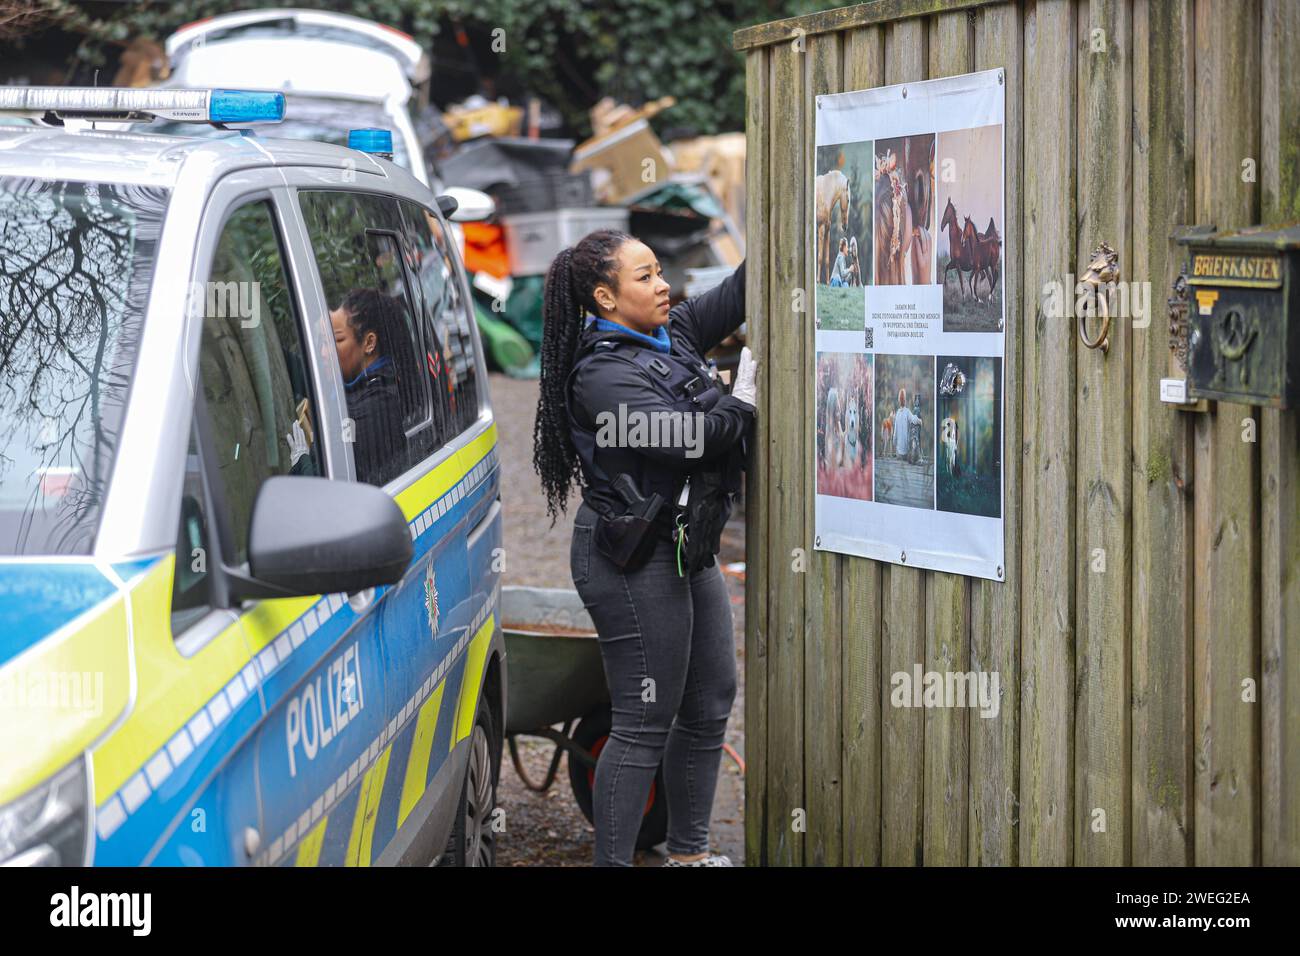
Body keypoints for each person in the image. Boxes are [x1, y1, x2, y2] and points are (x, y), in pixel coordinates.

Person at [532, 229, 758, 867]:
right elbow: (691, 438)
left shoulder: (673, 332)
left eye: (660, 271)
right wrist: (741, 399)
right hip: (629, 558)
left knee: (711, 695)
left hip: (687, 546)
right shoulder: (599, 376)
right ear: (605, 297)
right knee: (643, 720)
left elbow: (741, 289)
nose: (663, 285)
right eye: (645, 276)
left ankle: (687, 855)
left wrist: (785, 216)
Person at [331, 288, 412, 485]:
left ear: (368, 343)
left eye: (338, 340)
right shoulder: (357, 386)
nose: (327, 351)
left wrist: (303, 460)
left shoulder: (377, 406)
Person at [892, 386, 923, 462]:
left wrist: (894, 445)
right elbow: (914, 419)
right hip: (906, 453)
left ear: (899, 400)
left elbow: (895, 436)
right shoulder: (907, 412)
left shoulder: (897, 413)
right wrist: (920, 421)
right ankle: (919, 456)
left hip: (899, 453)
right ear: (905, 400)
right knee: (914, 428)